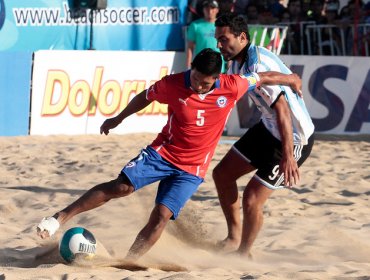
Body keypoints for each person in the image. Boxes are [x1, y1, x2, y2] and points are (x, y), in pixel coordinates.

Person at [36, 48, 303, 261]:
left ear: (217, 79)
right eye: (195, 78)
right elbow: (145, 97)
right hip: (163, 153)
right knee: (122, 186)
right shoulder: (173, 84)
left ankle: (128, 261)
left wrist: (290, 78)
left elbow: (263, 77)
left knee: (161, 216)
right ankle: (59, 218)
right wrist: (118, 118)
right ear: (192, 69)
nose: (197, 85)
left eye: (204, 83)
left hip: (192, 169)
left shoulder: (232, 85)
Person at [213, 13, 315, 258]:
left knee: (251, 199)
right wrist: (290, 79)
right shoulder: (240, 58)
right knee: (222, 174)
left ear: (242, 37)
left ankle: (243, 254)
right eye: (217, 39)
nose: (219, 45)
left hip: (293, 137)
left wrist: (289, 156)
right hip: (268, 128)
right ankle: (233, 238)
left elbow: (283, 112)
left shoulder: (255, 64)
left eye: (224, 39)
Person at [186, 0, 226, 71]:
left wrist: (229, 65)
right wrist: (188, 66)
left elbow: (227, 46)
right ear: (203, 10)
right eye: (207, 8)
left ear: (217, 10)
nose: (210, 11)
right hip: (201, 66)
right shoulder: (195, 25)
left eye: (212, 8)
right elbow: (190, 48)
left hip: (218, 67)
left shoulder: (222, 25)